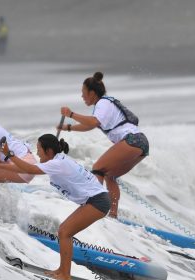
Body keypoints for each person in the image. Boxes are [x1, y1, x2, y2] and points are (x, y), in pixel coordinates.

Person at [0, 134, 110, 280]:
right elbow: (24, 168)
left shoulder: (57, 164)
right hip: (96, 200)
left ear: (48, 151)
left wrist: (9, 154)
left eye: (39, 150)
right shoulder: (58, 160)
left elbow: (29, 169)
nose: (37, 153)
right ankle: (62, 271)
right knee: (64, 231)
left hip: (98, 201)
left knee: (64, 232)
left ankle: (65, 275)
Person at [58, 72, 149, 218]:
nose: (82, 97)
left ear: (92, 93)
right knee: (110, 175)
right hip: (141, 144)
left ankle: (93, 209)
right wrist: (69, 128)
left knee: (98, 168)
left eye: (83, 93)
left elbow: (93, 122)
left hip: (133, 140)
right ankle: (112, 215)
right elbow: (91, 125)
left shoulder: (103, 103)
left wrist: (71, 114)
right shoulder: (104, 105)